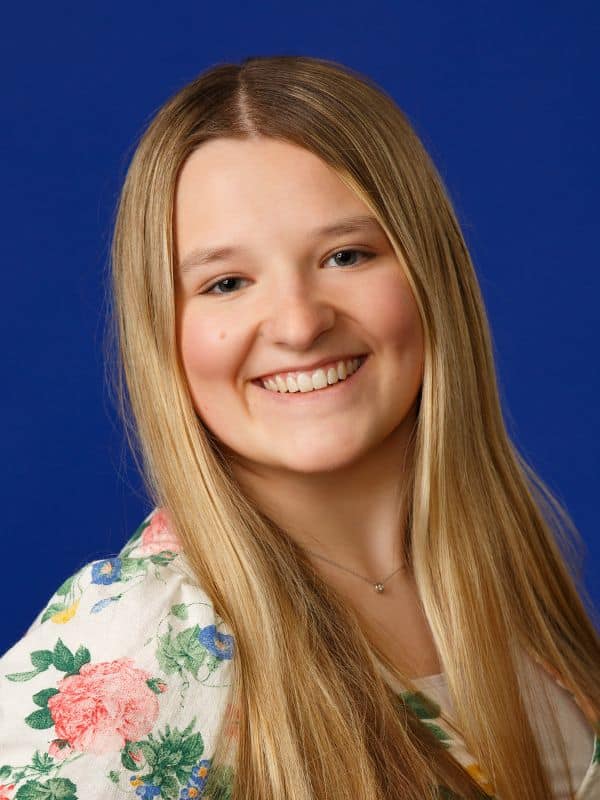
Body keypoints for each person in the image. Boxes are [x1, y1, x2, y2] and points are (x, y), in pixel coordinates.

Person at [0, 55, 598, 800]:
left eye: (346, 255)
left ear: (429, 274)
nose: (300, 322)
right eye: (226, 283)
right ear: (164, 328)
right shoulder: (137, 645)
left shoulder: (502, 572)